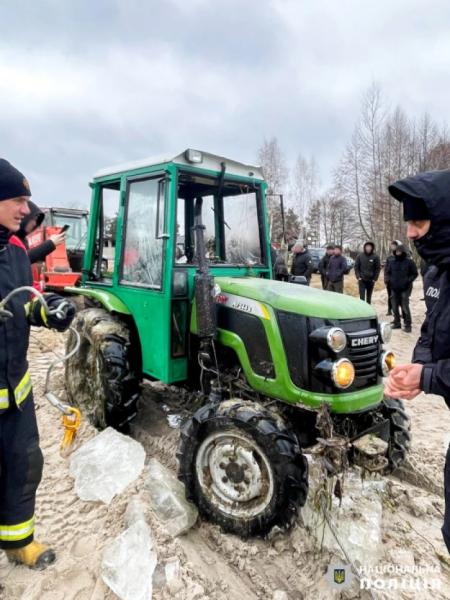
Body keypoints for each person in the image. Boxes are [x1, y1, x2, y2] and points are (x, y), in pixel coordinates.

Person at [0, 159, 75, 569]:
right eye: (16, 200)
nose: (24, 210)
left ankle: (18, 541)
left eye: (26, 201)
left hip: (16, 390)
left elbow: (25, 299)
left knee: (24, 465)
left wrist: (49, 311)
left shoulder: (14, 250)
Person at [385, 169, 450, 554]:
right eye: (408, 222)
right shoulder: (436, 273)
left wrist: (428, 377)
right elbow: (431, 328)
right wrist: (418, 366)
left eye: (419, 222)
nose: (410, 233)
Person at [384, 244, 418, 332]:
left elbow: (415, 273)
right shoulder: (392, 262)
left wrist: (408, 280)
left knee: (404, 306)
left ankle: (408, 325)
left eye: (400, 251)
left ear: (403, 252)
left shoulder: (409, 262)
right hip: (394, 288)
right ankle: (397, 323)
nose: (398, 253)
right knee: (394, 306)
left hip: (405, 288)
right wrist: (388, 280)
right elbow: (387, 272)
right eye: (397, 251)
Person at [384, 240, 401, 316]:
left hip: (399, 281)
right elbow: (386, 270)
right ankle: (389, 310)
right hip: (390, 281)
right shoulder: (389, 258)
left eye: (395, 245)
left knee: (399, 297)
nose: (393, 247)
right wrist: (386, 279)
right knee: (390, 296)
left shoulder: (403, 256)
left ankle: (399, 311)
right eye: (392, 246)